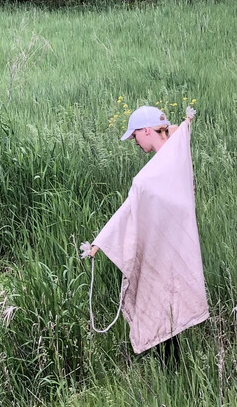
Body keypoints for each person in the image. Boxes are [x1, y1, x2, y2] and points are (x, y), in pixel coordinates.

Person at [82, 104, 207, 360]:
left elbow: (134, 205)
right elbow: (132, 208)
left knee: (164, 301)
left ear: (147, 130)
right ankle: (172, 369)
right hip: (164, 246)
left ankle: (172, 372)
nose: (134, 142)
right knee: (164, 303)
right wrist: (101, 242)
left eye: (135, 135)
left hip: (169, 247)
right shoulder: (170, 160)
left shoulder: (158, 171)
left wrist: (102, 241)